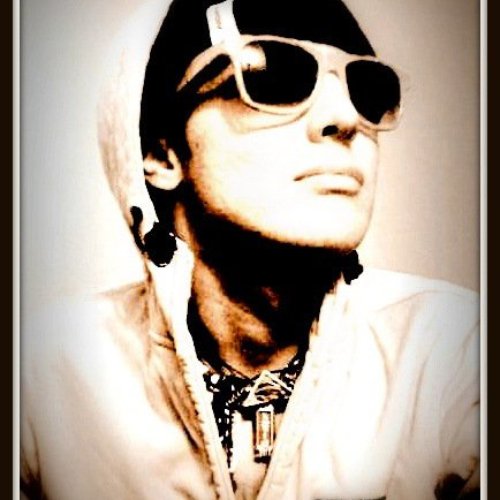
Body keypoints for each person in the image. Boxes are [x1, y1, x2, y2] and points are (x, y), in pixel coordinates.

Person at [21, 0, 480, 498]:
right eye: (273, 79)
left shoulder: (455, 355)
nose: (345, 118)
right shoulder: (39, 382)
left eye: (368, 91)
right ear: (161, 152)